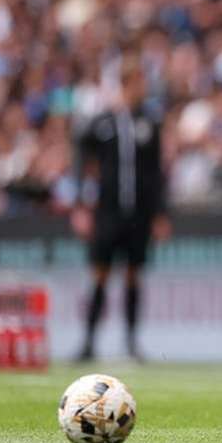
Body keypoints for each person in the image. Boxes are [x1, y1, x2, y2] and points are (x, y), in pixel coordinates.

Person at [71, 55, 171, 362]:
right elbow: (81, 161)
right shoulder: (103, 123)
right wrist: (81, 204)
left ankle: (131, 341)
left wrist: (160, 213)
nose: (136, 89)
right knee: (100, 274)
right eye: (131, 83)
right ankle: (88, 341)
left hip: (138, 213)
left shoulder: (149, 123)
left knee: (133, 275)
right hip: (107, 211)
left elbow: (156, 172)